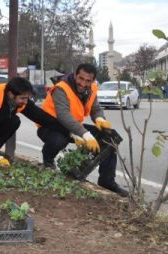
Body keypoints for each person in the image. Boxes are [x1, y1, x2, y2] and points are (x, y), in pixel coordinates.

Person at [38, 63, 129, 197]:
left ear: (93, 80)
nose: (83, 83)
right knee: (59, 140)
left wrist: (100, 119)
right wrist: (86, 135)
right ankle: (48, 161)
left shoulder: (91, 88)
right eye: (80, 78)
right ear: (75, 75)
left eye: (88, 81)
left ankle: (107, 181)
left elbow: (95, 108)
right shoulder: (61, 88)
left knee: (108, 138)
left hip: (74, 127)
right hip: (50, 127)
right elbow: (63, 115)